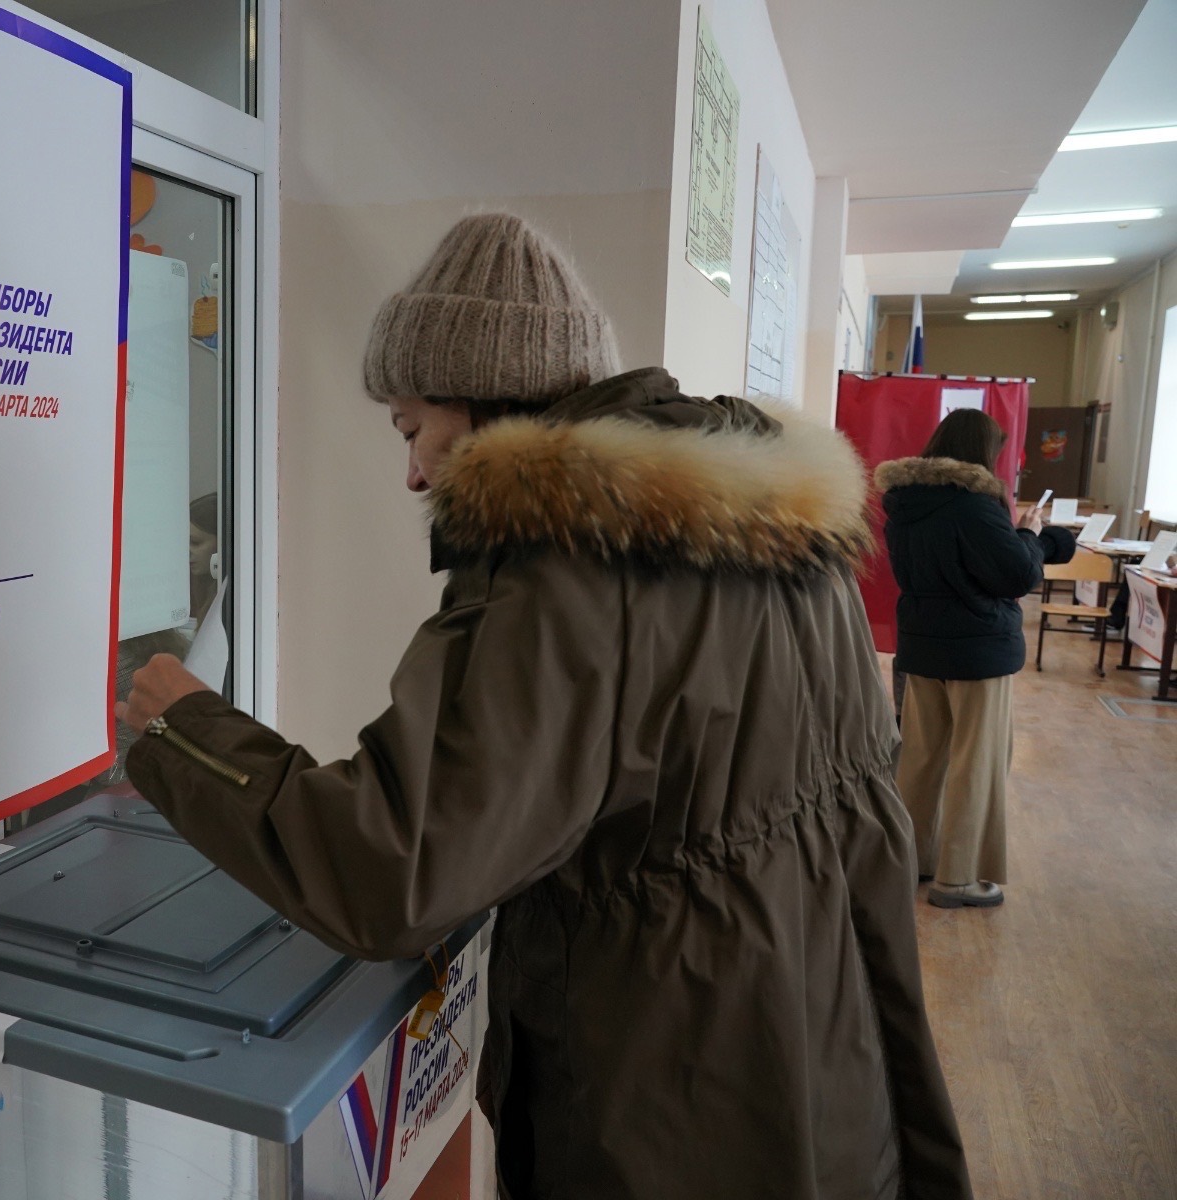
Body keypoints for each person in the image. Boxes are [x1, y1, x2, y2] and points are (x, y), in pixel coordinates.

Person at [120, 214, 971, 1199]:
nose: (411, 472)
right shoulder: (777, 520)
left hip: (673, 1102)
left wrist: (185, 726)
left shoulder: (569, 568)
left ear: (485, 398)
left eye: (411, 428)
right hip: (825, 1051)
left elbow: (393, 868)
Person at [875, 413, 1075, 911]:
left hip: (923, 645)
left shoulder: (904, 503)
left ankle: (914, 861)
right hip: (977, 648)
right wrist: (1031, 534)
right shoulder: (974, 505)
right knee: (976, 763)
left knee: (921, 760)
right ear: (982, 452)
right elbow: (1015, 575)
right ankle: (958, 878)